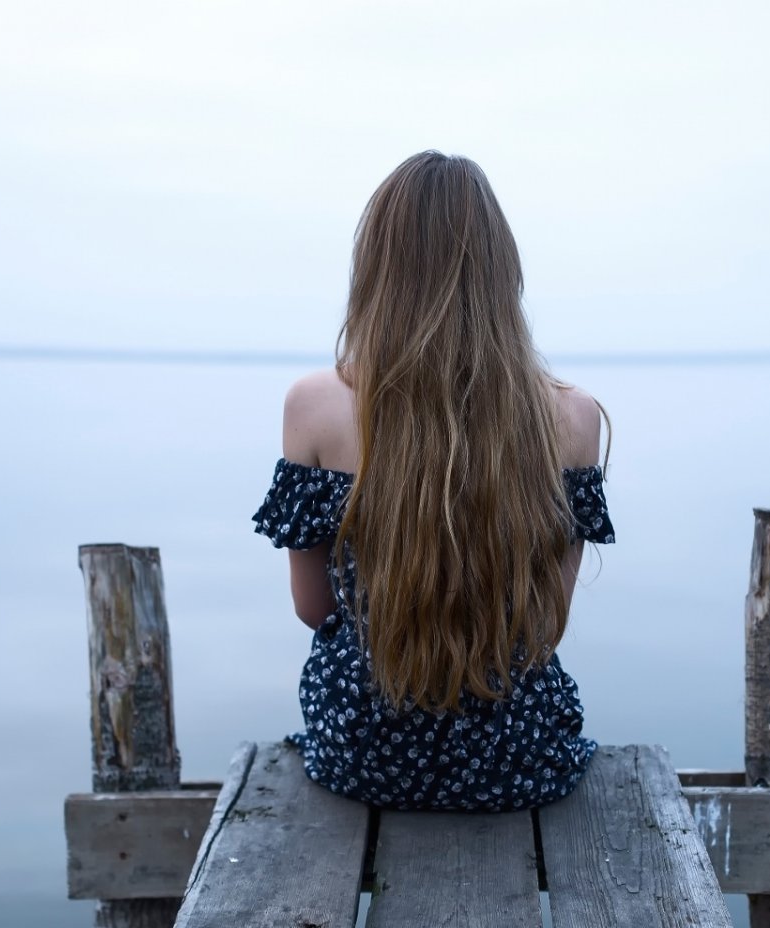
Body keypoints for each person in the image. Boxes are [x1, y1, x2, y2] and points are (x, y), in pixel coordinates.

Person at [251, 151, 613, 812]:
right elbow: (543, 628)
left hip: (361, 753)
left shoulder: (313, 405)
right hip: (515, 759)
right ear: (502, 270)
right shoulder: (572, 417)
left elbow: (314, 608)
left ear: (375, 268)